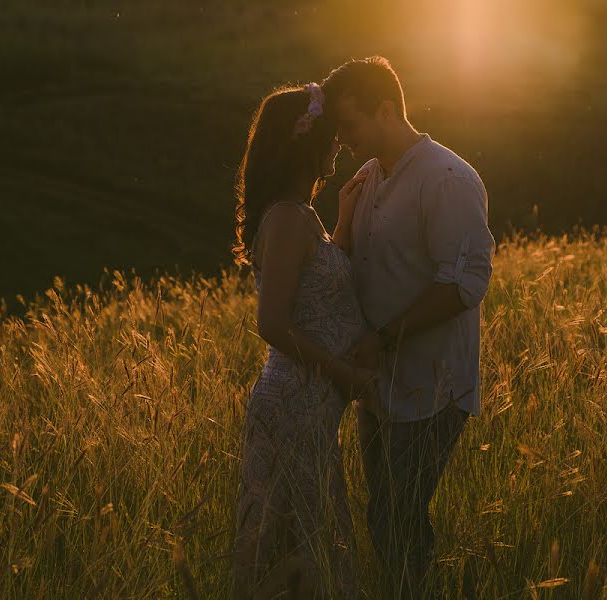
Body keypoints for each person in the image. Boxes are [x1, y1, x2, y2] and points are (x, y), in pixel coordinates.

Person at [321, 56, 496, 599]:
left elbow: (464, 283)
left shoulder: (447, 178)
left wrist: (385, 337)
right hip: (379, 385)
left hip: (431, 383)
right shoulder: (369, 177)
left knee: (397, 514)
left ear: (385, 109)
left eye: (350, 124)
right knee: (386, 515)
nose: (342, 139)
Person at [229, 82, 376, 599]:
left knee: (304, 549)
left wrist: (343, 222)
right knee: (297, 551)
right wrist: (346, 375)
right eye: (330, 135)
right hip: (293, 403)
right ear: (305, 142)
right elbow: (272, 324)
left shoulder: (301, 215)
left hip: (308, 408)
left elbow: (317, 285)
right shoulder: (289, 219)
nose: (337, 144)